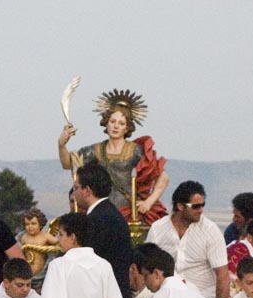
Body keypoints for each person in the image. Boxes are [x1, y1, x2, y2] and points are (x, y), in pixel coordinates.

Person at [57, 88, 169, 224]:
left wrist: (149, 202)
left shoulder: (136, 151)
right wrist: (62, 145)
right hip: (102, 214)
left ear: (127, 128)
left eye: (121, 123)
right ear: (106, 123)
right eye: (112, 121)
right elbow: (68, 164)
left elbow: (163, 177)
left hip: (130, 214)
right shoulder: (95, 150)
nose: (116, 126)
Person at [145, 180, 229, 298]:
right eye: (196, 206)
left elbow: (222, 274)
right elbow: (147, 267)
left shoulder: (210, 230)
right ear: (180, 206)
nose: (201, 210)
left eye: (203, 205)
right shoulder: (158, 229)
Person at [72, 160, 138, 298]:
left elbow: (90, 265)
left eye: (76, 187)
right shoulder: (110, 213)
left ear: (87, 190)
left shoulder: (97, 220)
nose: (74, 193)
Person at [18, 207, 58, 280]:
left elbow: (58, 244)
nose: (30, 227)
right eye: (27, 224)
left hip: (42, 275)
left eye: (33, 224)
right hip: (26, 275)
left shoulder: (45, 236)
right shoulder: (23, 237)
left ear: (40, 224)